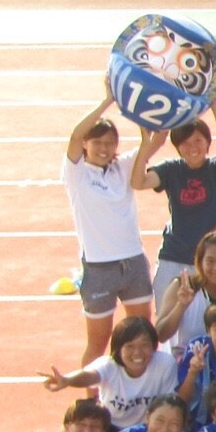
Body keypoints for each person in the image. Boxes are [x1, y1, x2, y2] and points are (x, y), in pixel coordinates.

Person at [62, 89, 152, 364]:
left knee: (141, 336)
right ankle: (90, 402)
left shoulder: (122, 167)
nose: (104, 148)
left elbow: (157, 139)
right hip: (99, 268)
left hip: (133, 262)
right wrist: (109, 100)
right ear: (87, 145)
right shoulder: (76, 173)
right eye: (98, 142)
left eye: (110, 143)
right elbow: (75, 135)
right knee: (99, 342)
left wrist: (142, 124)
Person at [131, 100, 216, 304]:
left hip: (212, 260)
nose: (193, 147)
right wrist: (146, 146)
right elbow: (138, 182)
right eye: (186, 143)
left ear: (208, 143)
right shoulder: (171, 169)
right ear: (178, 147)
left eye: (198, 141)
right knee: (166, 319)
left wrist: (215, 109)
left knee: (212, 319)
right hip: (174, 255)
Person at [43, 316, 179, 432]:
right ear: (118, 349)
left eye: (144, 345)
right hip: (111, 427)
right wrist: (68, 380)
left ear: (154, 346)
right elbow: (91, 376)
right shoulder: (108, 365)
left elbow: (170, 404)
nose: (137, 352)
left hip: (148, 429)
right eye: (130, 346)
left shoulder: (165, 364)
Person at [153, 228, 216, 352]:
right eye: (210, 261)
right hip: (182, 363)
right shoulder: (181, 286)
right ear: (200, 262)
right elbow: (160, 335)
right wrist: (181, 305)